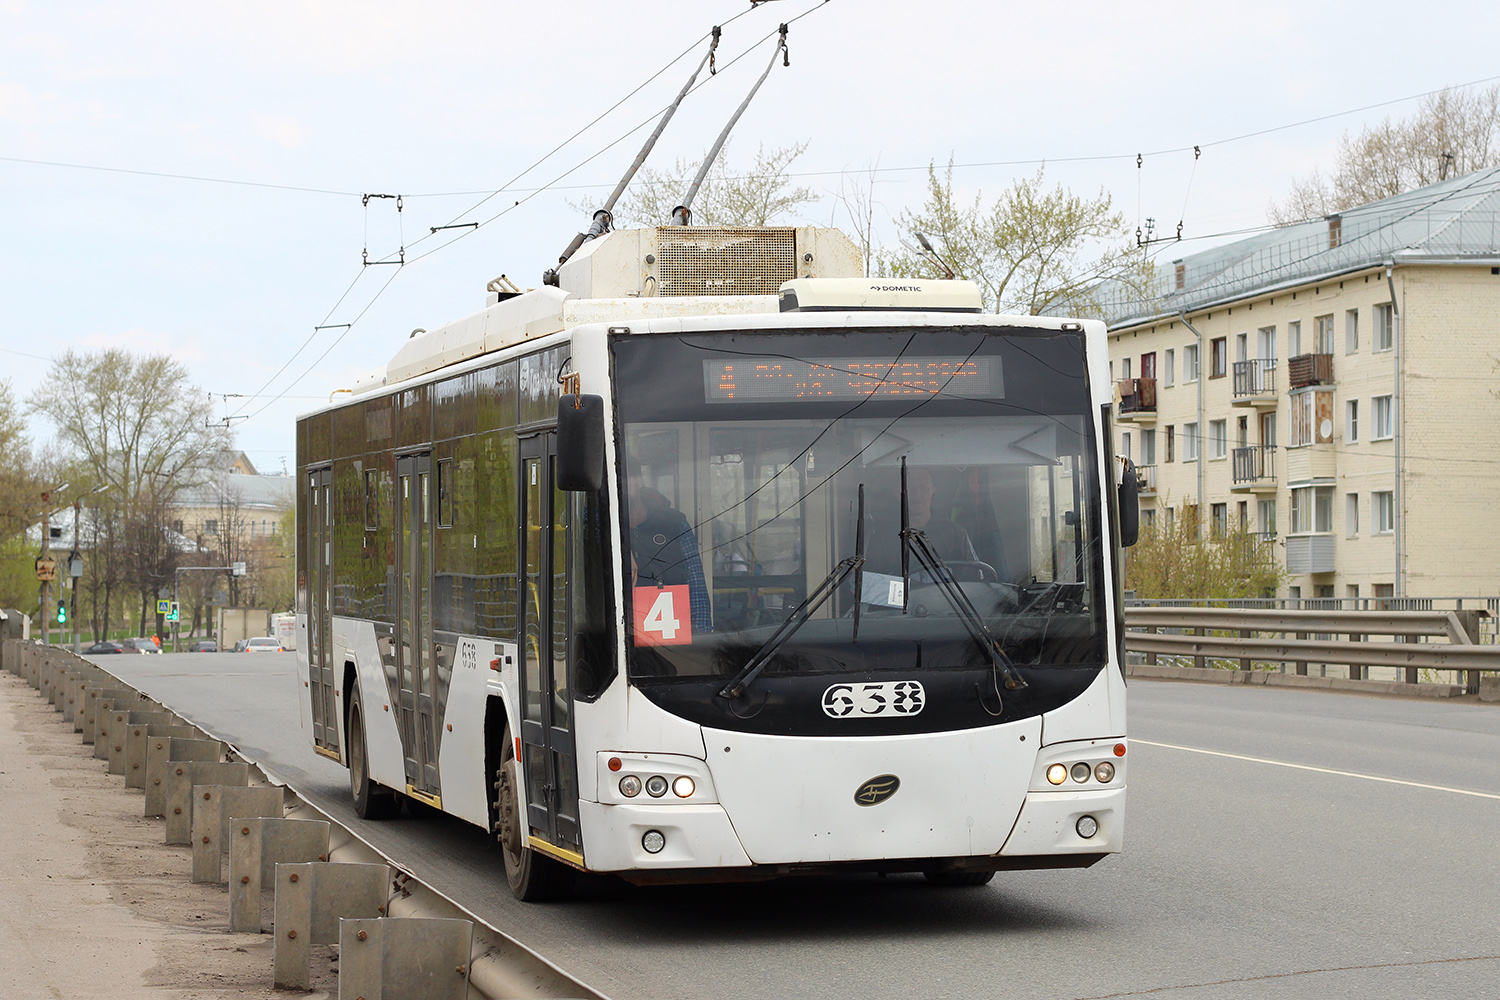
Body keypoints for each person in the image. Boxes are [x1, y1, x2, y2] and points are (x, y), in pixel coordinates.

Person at [628, 474, 712, 633]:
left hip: (670, 637)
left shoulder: (674, 522)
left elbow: (694, 579)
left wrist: (702, 635)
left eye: (624, 478)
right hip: (617, 633)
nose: (620, 485)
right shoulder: (596, 521)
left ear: (638, 481)